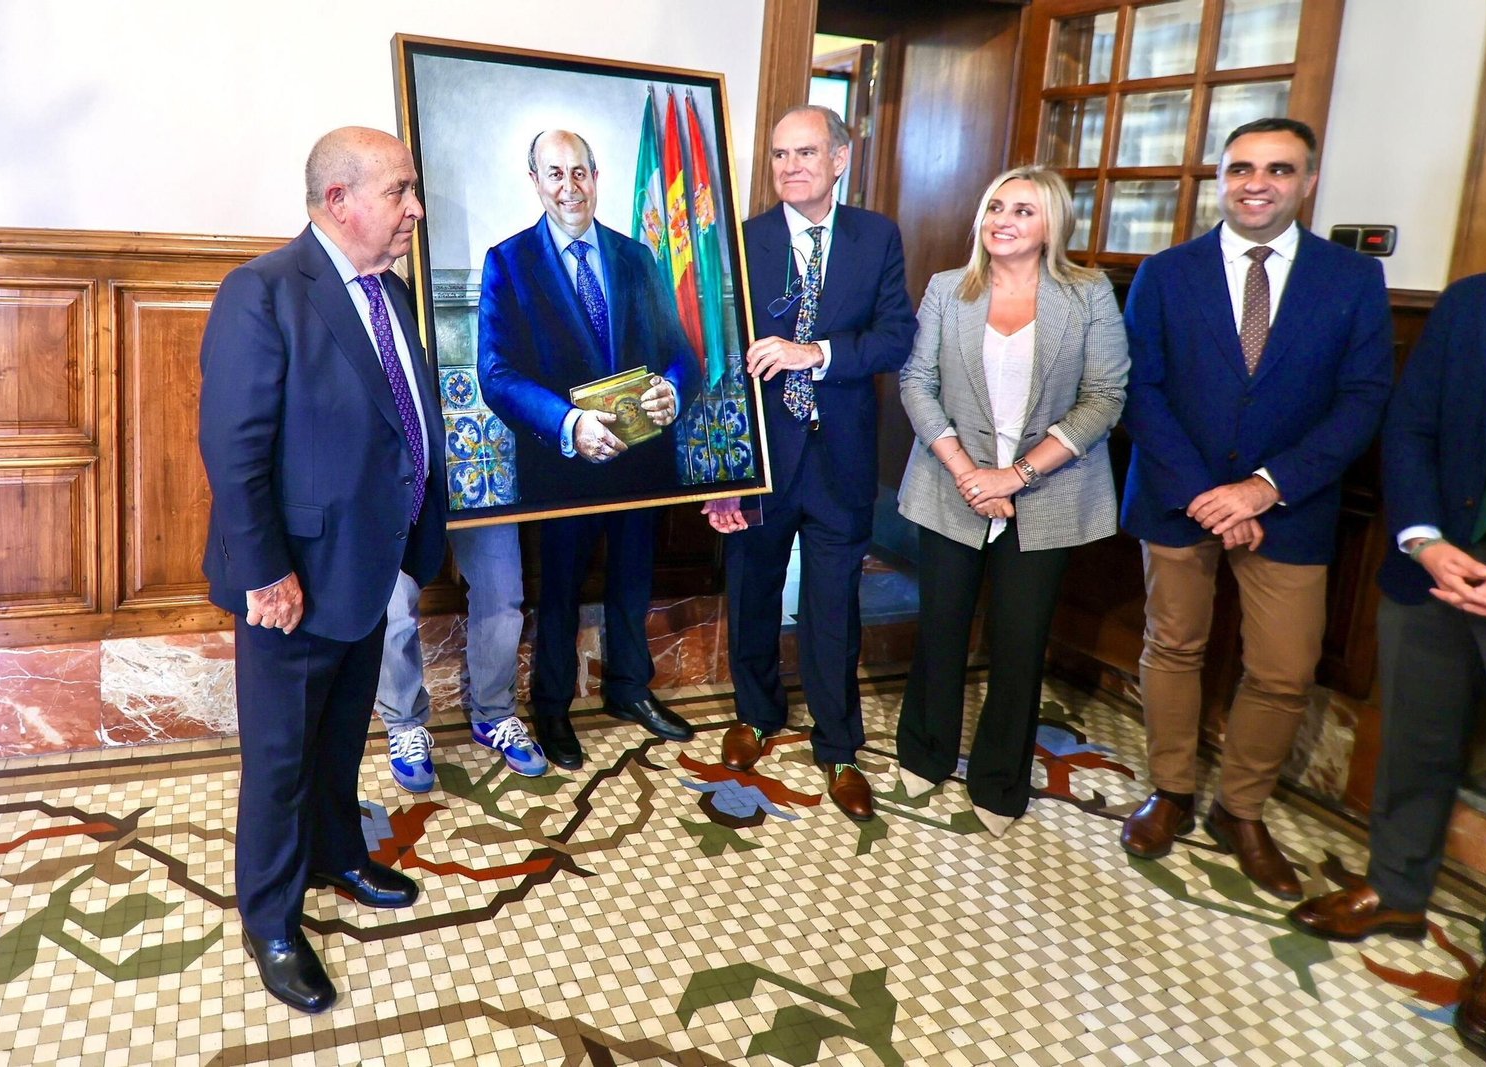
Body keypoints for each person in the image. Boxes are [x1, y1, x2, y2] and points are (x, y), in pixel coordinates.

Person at [1289, 116, 1486, 1055]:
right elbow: (1409, 427)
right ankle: (1396, 889)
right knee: (1412, 742)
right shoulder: (1475, 302)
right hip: (1434, 576)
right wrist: (1424, 539)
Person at [197, 127, 445, 1013]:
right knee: (278, 758)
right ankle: (270, 919)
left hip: (368, 569)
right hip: (291, 585)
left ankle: (340, 852)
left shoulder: (393, 291)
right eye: (400, 192)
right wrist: (266, 573)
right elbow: (235, 448)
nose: (415, 209)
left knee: (341, 735)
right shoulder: (262, 291)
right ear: (339, 200)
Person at [1117, 117, 1393, 899]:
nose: (1256, 182)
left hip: (1290, 507)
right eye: (1240, 167)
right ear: (1221, 178)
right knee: (1173, 645)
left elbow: (1363, 398)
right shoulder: (1166, 274)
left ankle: (1242, 808)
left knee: (1283, 668)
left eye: (1278, 169)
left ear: (1307, 180)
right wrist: (1209, 495)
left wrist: (1265, 487)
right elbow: (1141, 389)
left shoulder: (1351, 280)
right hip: (1180, 497)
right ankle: (1169, 790)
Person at [893, 166, 1128, 838]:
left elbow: (1105, 398)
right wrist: (969, 470)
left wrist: (1015, 475)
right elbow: (917, 383)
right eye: (995, 206)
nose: (1002, 219)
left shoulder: (1087, 297)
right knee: (940, 627)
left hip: (1045, 494)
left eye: (1022, 210)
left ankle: (998, 779)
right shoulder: (948, 289)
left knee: (1020, 643)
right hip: (951, 485)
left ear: (1051, 224)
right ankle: (924, 750)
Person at [702, 105, 917, 822]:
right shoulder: (740, 240)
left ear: (839, 160)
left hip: (842, 458)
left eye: (805, 153)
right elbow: (715, 362)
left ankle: (839, 747)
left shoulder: (876, 237)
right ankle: (756, 715)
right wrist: (719, 476)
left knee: (833, 607)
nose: (789, 166)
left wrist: (815, 353)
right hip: (762, 462)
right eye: (778, 155)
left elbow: (895, 338)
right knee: (754, 590)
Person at [476, 129, 700, 769]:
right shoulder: (509, 262)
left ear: (596, 176)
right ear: (536, 183)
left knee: (634, 577)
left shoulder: (636, 258)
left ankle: (630, 690)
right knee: (561, 591)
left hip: (640, 460)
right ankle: (551, 708)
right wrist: (568, 423)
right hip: (562, 463)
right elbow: (497, 374)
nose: (569, 187)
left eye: (580, 172)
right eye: (555, 174)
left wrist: (672, 392)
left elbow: (680, 354)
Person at [373, 523, 543, 794]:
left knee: (501, 595)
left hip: (482, 484)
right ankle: (402, 724)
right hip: (403, 484)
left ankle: (494, 715)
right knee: (395, 608)